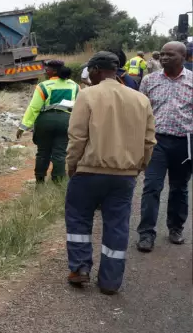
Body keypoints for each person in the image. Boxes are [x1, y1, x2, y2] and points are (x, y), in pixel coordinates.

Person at [64, 51, 156, 295]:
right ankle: (110, 281)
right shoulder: (140, 99)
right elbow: (149, 141)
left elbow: (77, 137)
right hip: (125, 176)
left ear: (95, 70)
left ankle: (80, 268)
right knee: (117, 225)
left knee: (78, 218)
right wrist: (139, 167)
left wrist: (71, 166)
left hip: (89, 172)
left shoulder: (87, 95)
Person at [135, 41, 193, 251]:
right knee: (151, 186)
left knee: (179, 188)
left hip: (184, 142)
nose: (165, 58)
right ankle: (146, 234)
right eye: (162, 54)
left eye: (170, 54)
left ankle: (176, 228)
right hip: (156, 142)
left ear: (184, 57)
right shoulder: (149, 80)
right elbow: (141, 112)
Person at [17, 60, 79, 183]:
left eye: (47, 69)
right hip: (65, 121)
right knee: (60, 153)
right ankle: (58, 182)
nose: (45, 71)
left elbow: (34, 108)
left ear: (54, 71)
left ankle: (39, 182)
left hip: (45, 121)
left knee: (43, 152)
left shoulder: (43, 86)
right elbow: (79, 105)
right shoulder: (74, 85)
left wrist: (23, 127)